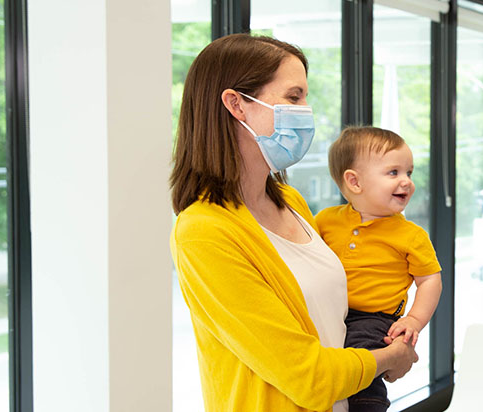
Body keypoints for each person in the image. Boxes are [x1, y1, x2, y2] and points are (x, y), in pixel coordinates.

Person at [169, 34, 418, 412]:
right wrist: (387, 359)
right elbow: (307, 375)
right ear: (237, 104)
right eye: (293, 96)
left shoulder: (291, 203)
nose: (306, 110)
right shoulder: (203, 231)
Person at [315, 126, 443, 412]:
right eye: (393, 173)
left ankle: (369, 404)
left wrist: (414, 320)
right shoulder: (325, 221)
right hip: (329, 310)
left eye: (408, 172)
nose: (406, 182)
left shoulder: (411, 235)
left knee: (364, 353)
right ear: (354, 182)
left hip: (373, 318)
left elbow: (430, 281)